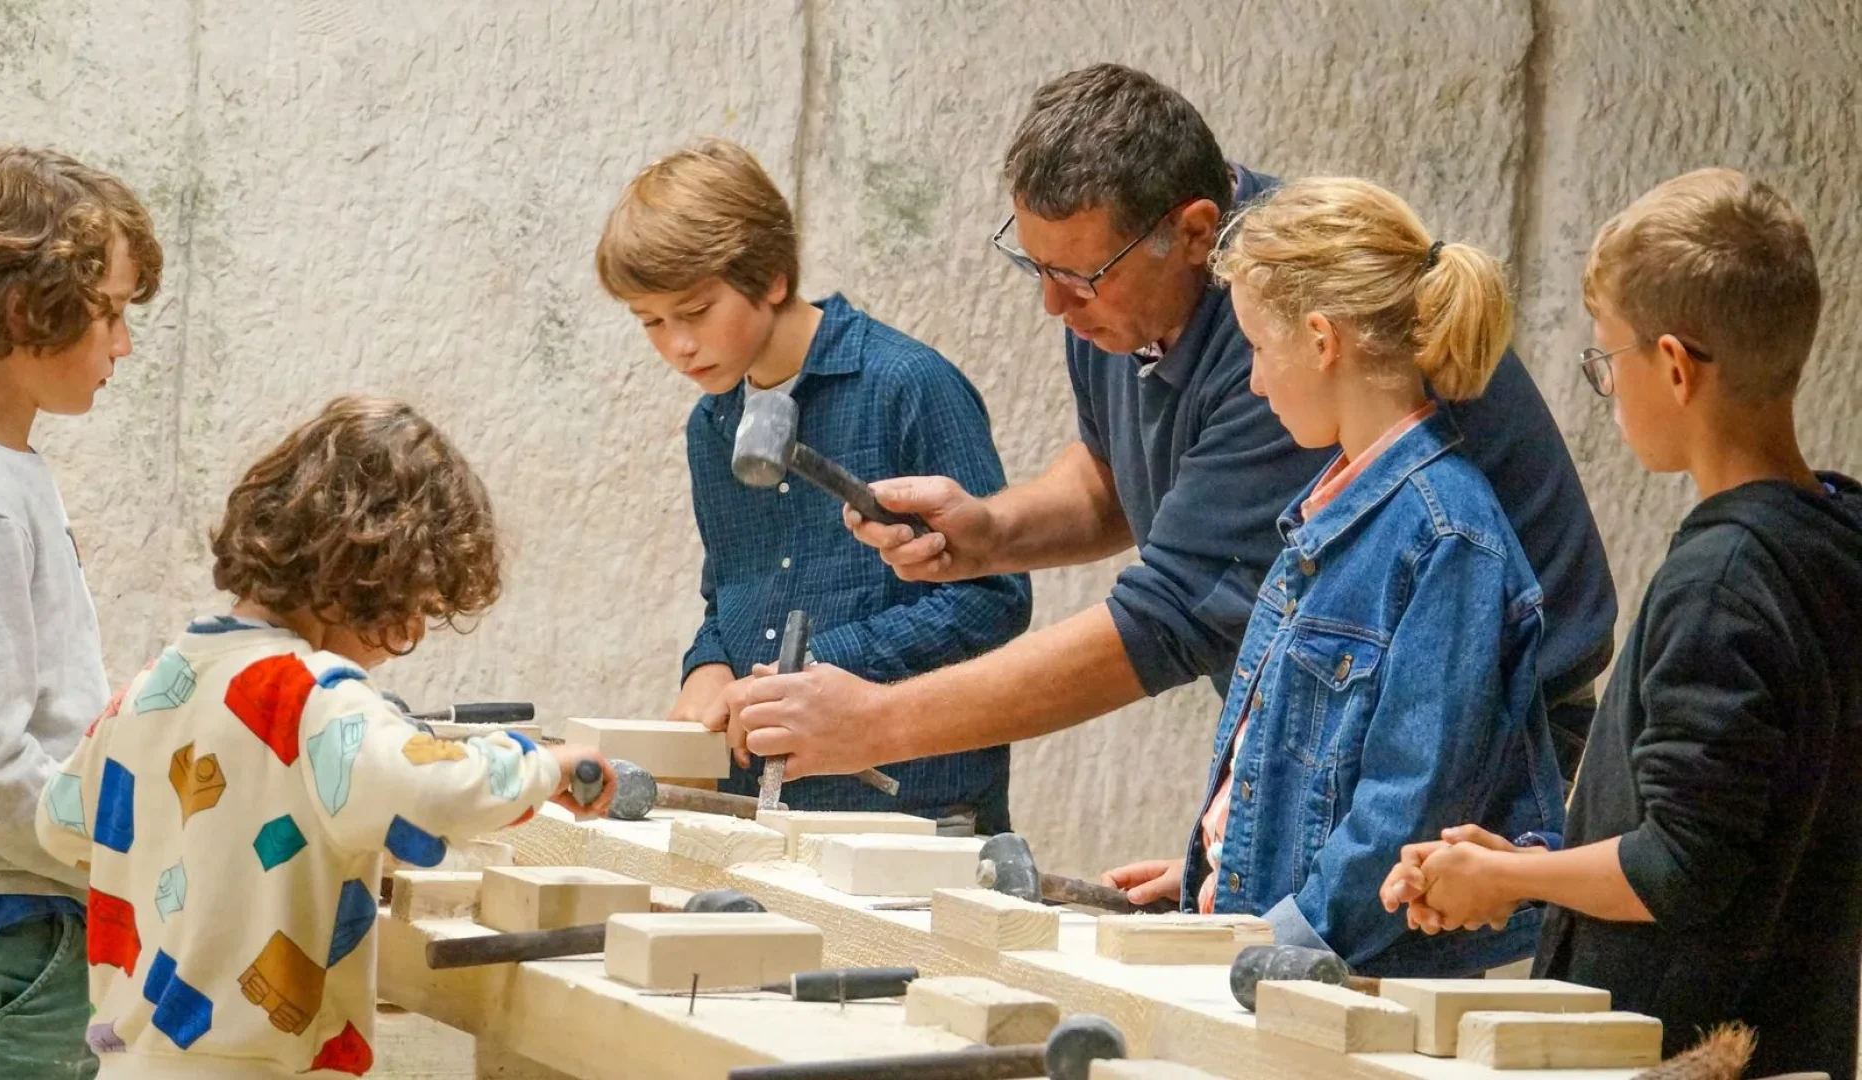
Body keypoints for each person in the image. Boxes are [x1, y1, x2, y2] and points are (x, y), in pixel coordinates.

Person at [730, 65, 1616, 877]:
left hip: (1488, 748)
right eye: (1034, 266)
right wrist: (992, 531)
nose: (1052, 304)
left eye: (1077, 278)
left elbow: (1163, 624)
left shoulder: (1284, 345)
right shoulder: (1122, 300)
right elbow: (1122, 476)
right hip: (1341, 742)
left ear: (1195, 233)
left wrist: (877, 722)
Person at [1382, 169, 1862, 1075]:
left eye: (1607, 359)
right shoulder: (1836, 538)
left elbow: (1683, 866)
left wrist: (1512, 878)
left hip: (1681, 1050)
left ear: (1674, 366)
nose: (1606, 386)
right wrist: (1528, 866)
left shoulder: (1724, 579)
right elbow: (1723, 830)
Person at [34, 396, 616, 1078]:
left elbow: (61, 823)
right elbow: (432, 788)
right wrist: (542, 765)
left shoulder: (151, 688)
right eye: (414, 607)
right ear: (367, 576)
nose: (405, 640)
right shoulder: (312, 696)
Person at [1136, 176, 1559, 973]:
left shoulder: (1446, 534)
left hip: (1352, 978)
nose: (1255, 382)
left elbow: (1407, 804)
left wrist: (1265, 952)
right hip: (1282, 956)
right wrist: (1213, 877)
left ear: (1323, 340)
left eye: (1260, 350)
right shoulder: (1329, 504)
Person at [596, 139, 1030, 830]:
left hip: (915, 816)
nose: (676, 344)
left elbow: (994, 600)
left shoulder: (908, 386)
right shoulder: (712, 426)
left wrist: (816, 666)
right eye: (650, 322)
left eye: (695, 311)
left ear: (770, 277)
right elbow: (731, 592)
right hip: (764, 815)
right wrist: (707, 666)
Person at [0, 145, 163, 1080]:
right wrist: (119, 860)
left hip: (16, 914)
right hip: (1, 933)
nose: (122, 344)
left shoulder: (2, 474)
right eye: (109, 311)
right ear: (25, 308)